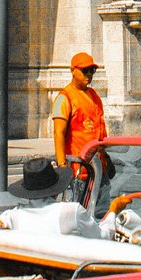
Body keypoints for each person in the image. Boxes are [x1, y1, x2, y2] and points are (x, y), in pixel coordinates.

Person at [50, 51, 107, 188]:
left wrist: (106, 160)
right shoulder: (64, 98)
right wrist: (62, 165)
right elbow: (59, 133)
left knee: (101, 207)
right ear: (73, 71)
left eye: (92, 70)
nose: (89, 74)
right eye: (84, 70)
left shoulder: (94, 95)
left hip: (98, 167)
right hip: (78, 168)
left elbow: (100, 131)